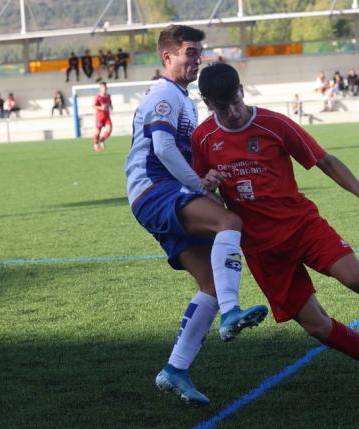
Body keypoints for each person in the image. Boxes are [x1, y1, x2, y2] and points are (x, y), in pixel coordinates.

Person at [192, 62, 359, 397]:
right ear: (206, 102)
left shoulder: (274, 124)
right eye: (221, 107)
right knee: (316, 326)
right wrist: (208, 186)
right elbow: (202, 195)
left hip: (302, 226)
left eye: (235, 101)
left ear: (242, 90)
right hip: (262, 249)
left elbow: (325, 161)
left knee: (356, 278)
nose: (231, 112)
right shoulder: (203, 139)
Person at [124, 24, 268, 406]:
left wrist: (208, 176)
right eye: (190, 51)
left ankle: (175, 369)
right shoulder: (164, 94)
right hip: (156, 190)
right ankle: (233, 312)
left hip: (159, 196)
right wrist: (202, 184)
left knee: (209, 285)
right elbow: (164, 149)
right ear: (167, 56)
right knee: (228, 222)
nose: (196, 58)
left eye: (199, 51)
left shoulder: (181, 98)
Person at [93, 82, 112, 152]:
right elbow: (94, 106)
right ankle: (95, 144)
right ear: (100, 88)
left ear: (106, 88)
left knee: (109, 130)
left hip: (107, 117)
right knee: (98, 132)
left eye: (105, 87)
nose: (104, 89)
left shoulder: (108, 96)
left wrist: (110, 106)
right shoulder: (98, 97)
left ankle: (102, 140)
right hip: (100, 117)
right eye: (102, 87)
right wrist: (101, 107)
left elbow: (109, 102)